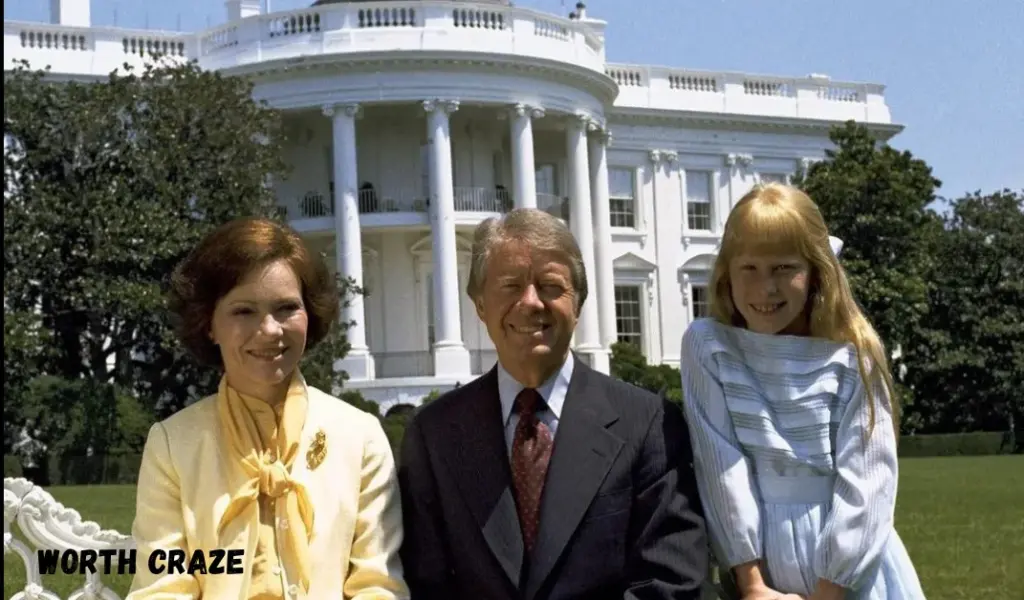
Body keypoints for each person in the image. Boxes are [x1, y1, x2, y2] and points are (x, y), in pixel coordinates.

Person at [398, 208, 709, 600]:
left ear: (577, 304)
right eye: (511, 286)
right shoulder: (433, 436)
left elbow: (669, 582)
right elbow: (423, 584)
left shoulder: (648, 425)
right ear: (479, 304)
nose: (531, 303)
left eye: (550, 286)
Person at [127, 217, 409, 600]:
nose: (271, 329)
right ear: (209, 324)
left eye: (286, 308)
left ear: (310, 315)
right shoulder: (174, 445)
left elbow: (378, 587)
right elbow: (162, 590)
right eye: (244, 311)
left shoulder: (360, 438)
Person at [679, 183, 925, 600]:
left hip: (850, 576)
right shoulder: (709, 346)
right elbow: (720, 468)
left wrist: (829, 592)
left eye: (783, 269)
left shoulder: (852, 355)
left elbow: (868, 484)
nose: (766, 289)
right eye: (750, 269)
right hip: (758, 572)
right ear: (727, 274)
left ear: (815, 272)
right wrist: (752, 584)